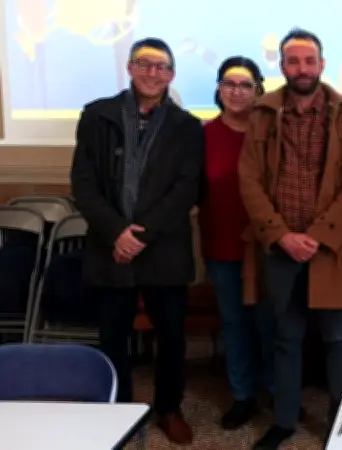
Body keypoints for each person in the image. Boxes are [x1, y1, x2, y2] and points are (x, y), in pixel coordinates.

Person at [238, 28, 342, 450]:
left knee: (337, 338)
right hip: (280, 249)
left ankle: (339, 421)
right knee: (285, 338)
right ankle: (285, 420)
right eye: (293, 61)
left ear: (322, 65)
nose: (302, 69)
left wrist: (315, 236)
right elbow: (249, 180)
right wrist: (282, 236)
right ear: (282, 66)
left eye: (309, 61)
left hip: (329, 250)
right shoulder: (262, 114)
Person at [69, 37, 203, 444]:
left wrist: (140, 235)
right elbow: (83, 182)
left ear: (172, 75)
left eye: (162, 67)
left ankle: (169, 408)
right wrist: (116, 232)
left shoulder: (187, 126)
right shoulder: (97, 116)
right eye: (144, 64)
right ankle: (119, 409)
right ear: (129, 68)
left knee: (171, 335)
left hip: (163, 248)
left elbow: (186, 188)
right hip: (110, 247)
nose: (152, 73)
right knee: (113, 334)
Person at [198, 56, 272, 430]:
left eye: (245, 85)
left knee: (270, 322)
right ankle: (242, 396)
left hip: (268, 246)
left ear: (258, 91)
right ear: (219, 89)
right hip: (222, 245)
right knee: (234, 323)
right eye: (229, 84)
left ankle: (276, 392)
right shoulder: (202, 136)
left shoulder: (271, 134)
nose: (237, 92)